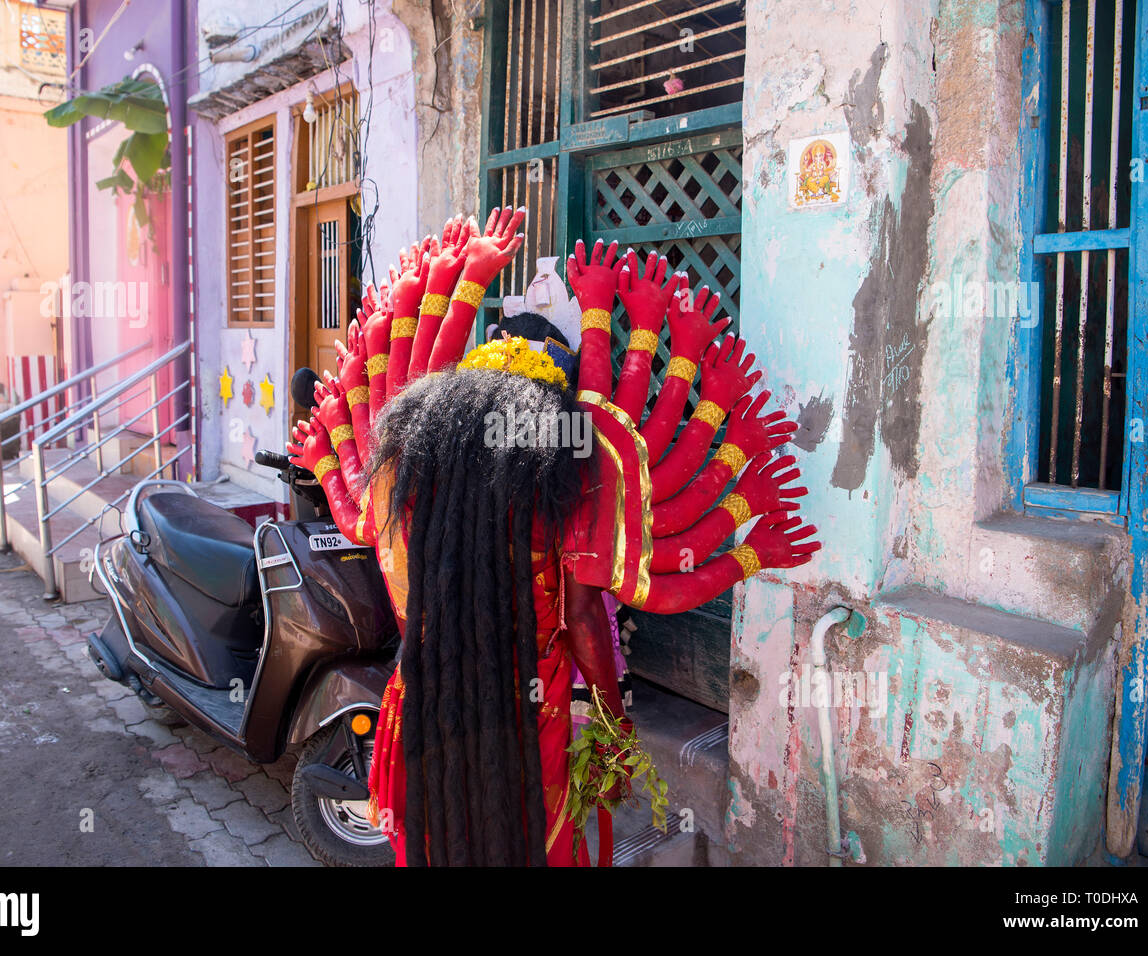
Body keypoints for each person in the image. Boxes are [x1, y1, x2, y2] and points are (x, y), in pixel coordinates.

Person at [288, 209, 821, 865]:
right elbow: (585, 619)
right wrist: (614, 720)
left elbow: (352, 499)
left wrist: (461, 279)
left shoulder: (402, 457)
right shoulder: (575, 465)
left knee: (426, 842)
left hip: (419, 700)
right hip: (523, 715)